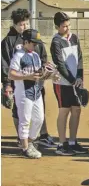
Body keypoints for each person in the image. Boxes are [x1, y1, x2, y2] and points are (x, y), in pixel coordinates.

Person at [1, 8, 57, 148]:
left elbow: (42, 56)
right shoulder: (8, 41)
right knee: (19, 111)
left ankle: (42, 136)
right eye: (21, 24)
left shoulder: (33, 37)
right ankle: (21, 138)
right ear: (14, 24)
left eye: (26, 23)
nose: (24, 26)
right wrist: (7, 84)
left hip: (36, 81)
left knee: (39, 109)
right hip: (18, 83)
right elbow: (5, 64)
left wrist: (45, 71)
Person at [8, 29, 55, 158]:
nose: (35, 46)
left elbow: (39, 75)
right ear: (26, 42)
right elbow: (11, 74)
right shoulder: (19, 55)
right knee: (25, 120)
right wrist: (27, 76)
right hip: (24, 92)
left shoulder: (35, 55)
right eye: (33, 43)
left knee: (39, 119)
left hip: (36, 92)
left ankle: (29, 143)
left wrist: (50, 75)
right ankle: (25, 148)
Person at [50, 12, 89, 155]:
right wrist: (73, 81)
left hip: (75, 82)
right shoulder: (56, 42)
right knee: (64, 111)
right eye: (64, 26)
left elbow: (80, 59)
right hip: (62, 83)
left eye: (68, 25)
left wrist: (80, 78)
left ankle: (72, 142)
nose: (67, 28)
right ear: (57, 26)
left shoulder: (74, 38)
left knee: (76, 111)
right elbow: (60, 65)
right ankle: (62, 144)